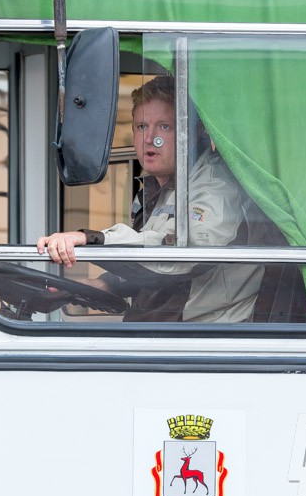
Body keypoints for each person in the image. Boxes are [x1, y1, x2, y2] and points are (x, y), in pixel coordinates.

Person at [36, 75, 264, 323]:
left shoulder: (216, 186)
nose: (149, 138)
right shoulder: (160, 187)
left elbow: (180, 257)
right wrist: (103, 284)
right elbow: (151, 267)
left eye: (164, 127)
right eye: (142, 127)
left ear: (193, 133)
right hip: (163, 330)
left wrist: (91, 239)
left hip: (202, 337)